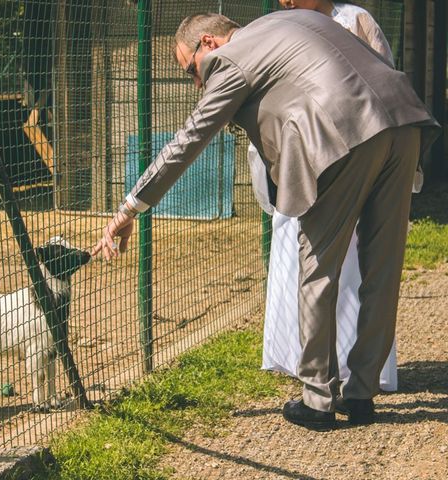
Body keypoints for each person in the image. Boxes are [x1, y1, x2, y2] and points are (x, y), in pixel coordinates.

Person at [92, 9, 439, 430]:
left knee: (318, 268)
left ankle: (318, 399)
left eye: (191, 72)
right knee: (382, 268)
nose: (198, 84)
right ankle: (362, 395)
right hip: (402, 121)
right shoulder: (286, 22)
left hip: (346, 132)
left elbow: (188, 140)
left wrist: (129, 208)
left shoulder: (230, 59)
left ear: (209, 43)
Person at [260, 1, 400, 396]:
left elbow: (382, 80)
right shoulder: (278, 25)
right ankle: (305, 363)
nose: (286, 1)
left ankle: (356, 372)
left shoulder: (354, 20)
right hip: (298, 151)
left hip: (351, 149)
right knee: (301, 260)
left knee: (354, 264)